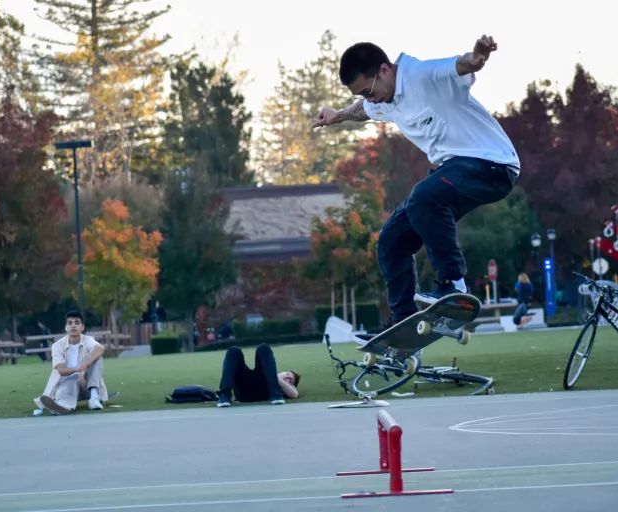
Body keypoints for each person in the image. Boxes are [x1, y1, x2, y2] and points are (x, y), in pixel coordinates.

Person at [312, 36, 520, 329]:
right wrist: (338, 115)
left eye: (368, 91)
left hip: (492, 164)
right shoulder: (384, 97)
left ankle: (454, 287)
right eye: (362, 94)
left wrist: (477, 57)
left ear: (385, 70)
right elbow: (363, 110)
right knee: (391, 241)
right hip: (456, 171)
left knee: (424, 196)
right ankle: (404, 326)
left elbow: (461, 65)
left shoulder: (423, 75)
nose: (370, 99)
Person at [34, 310, 110, 415]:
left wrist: (84, 369)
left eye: (77, 323)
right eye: (70, 323)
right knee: (64, 396)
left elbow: (100, 349)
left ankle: (94, 398)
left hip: (86, 383)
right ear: (66, 327)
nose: (73, 326)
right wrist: (76, 370)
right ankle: (60, 406)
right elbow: (61, 370)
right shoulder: (57, 345)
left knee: (97, 358)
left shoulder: (88, 340)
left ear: (82, 327)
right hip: (68, 382)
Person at [217, 344, 300, 407]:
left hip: (264, 391)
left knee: (264, 348)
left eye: (290, 380)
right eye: (288, 374)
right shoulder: (269, 368)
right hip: (243, 390)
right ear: (283, 371)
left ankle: (275, 395)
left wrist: (277, 378)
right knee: (234, 350)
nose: (287, 378)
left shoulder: (282, 385)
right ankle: (225, 396)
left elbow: (294, 394)